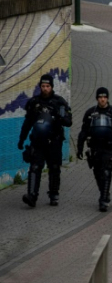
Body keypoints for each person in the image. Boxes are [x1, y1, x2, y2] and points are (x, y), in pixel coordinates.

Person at [17, 74, 72, 207]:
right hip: (38, 141)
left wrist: (60, 117)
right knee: (35, 167)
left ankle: (54, 195)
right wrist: (21, 139)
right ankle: (32, 196)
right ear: (40, 87)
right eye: (43, 86)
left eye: (47, 86)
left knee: (54, 168)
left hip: (54, 141)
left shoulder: (59, 102)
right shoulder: (34, 102)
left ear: (52, 87)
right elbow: (27, 123)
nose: (45, 89)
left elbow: (68, 122)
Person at [77, 87, 112, 212]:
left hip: (109, 147)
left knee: (106, 172)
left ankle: (104, 199)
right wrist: (79, 148)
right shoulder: (90, 113)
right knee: (97, 173)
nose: (102, 99)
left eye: (104, 97)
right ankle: (104, 192)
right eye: (100, 97)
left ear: (107, 98)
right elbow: (83, 131)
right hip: (95, 147)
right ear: (97, 98)